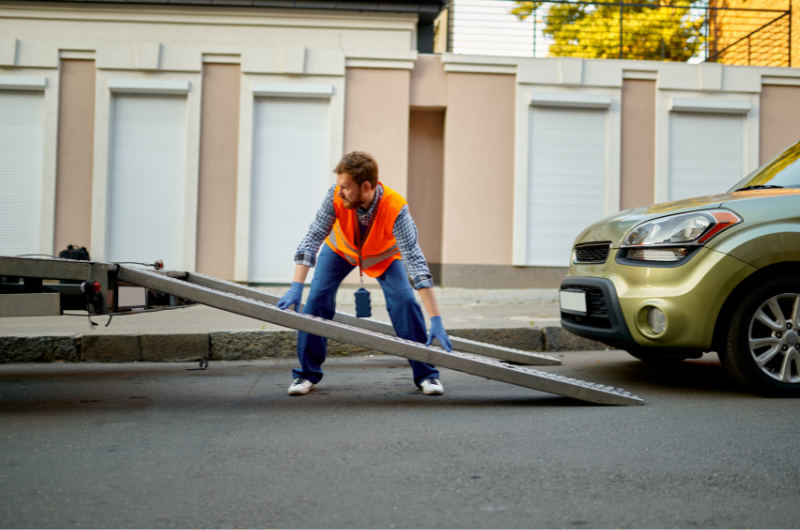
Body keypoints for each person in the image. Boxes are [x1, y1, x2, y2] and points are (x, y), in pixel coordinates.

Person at [276, 151, 453, 396]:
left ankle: (426, 374)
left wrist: (435, 319)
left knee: (405, 302)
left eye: (346, 187)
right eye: (339, 186)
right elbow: (313, 237)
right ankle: (306, 375)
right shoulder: (334, 195)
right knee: (316, 298)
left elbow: (416, 264)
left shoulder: (396, 208)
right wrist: (296, 285)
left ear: (366, 186)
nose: (339, 192)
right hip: (341, 250)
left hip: (384, 256)